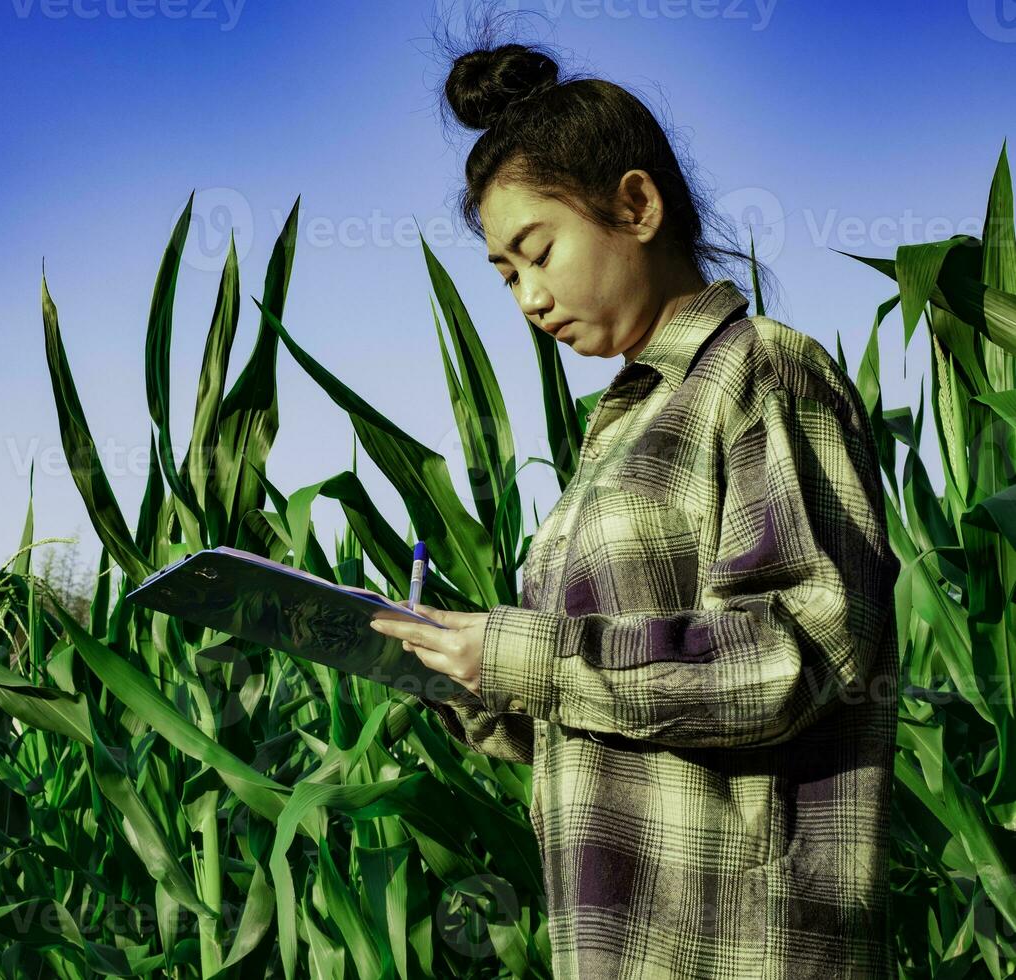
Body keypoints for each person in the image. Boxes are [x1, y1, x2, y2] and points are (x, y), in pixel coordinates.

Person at [368, 27, 899, 980]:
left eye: (537, 252)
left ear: (637, 205)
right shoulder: (613, 437)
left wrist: (524, 655)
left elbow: (803, 654)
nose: (527, 298)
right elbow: (604, 717)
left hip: (746, 950)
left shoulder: (758, 373)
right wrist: (470, 684)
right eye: (505, 277)